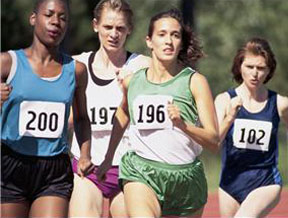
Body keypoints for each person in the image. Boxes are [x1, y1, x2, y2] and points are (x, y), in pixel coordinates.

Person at [96, 8, 219, 217]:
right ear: (149, 41)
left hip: (185, 179)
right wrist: (108, 157)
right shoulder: (132, 81)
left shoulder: (195, 82)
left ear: (181, 42)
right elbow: (123, 113)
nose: (168, 41)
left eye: (175, 35)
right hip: (141, 172)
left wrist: (184, 126)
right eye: (162, 35)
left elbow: (214, 140)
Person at [0, 0, 92, 217]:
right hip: (11, 164)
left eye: (62, 18)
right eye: (49, 14)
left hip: (54, 171)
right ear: (34, 19)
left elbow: (81, 119)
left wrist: (86, 154)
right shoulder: (7, 63)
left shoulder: (76, 70)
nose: (55, 22)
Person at [214, 37, 288, 217]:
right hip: (230, 181)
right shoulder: (224, 100)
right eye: (249, 67)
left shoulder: (280, 104)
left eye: (261, 68)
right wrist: (229, 117)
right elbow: (214, 141)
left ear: (269, 71)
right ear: (240, 66)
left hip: (265, 180)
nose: (255, 73)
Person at [68, 0, 150, 217]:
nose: (114, 34)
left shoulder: (144, 66)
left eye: (120, 28)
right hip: (87, 167)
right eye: (108, 27)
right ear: (95, 25)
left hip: (129, 170)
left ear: (129, 29)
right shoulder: (76, 65)